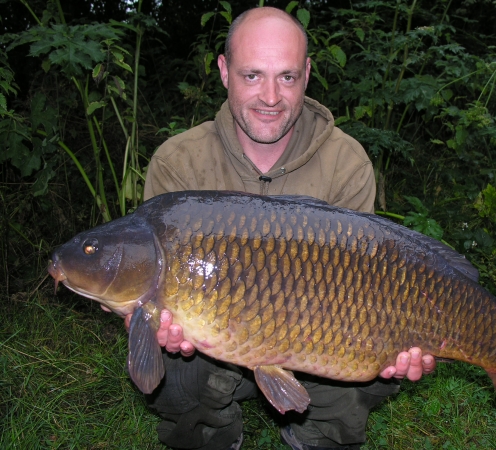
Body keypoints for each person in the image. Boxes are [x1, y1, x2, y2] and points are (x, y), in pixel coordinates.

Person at [125, 7, 436, 450]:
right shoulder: (178, 163)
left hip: (319, 336)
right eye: (252, 75)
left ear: (307, 75)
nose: (270, 96)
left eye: (287, 77)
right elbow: (144, 300)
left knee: (369, 353)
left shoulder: (346, 163)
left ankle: (319, 435)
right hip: (217, 347)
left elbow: (372, 280)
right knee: (176, 369)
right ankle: (213, 436)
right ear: (224, 71)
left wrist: (395, 338)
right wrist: (146, 322)